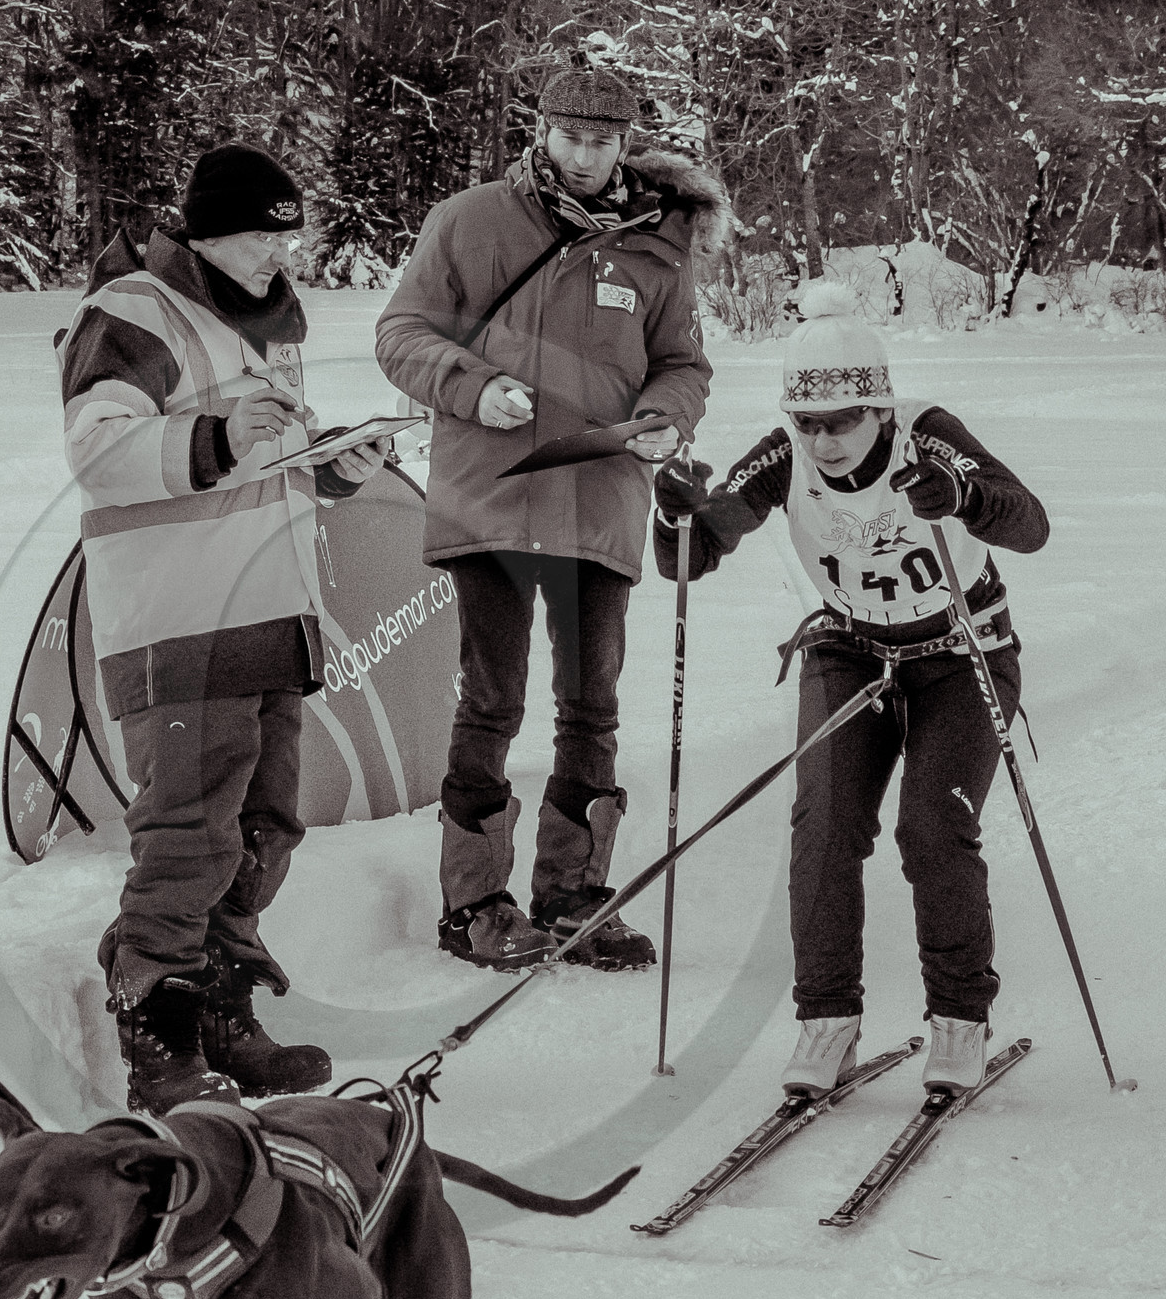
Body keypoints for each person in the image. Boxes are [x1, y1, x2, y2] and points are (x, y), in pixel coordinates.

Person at [651, 282, 1049, 1097]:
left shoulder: (929, 435)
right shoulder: (783, 455)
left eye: (841, 421)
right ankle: (826, 1021)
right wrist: (676, 515)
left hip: (962, 648)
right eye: (807, 422)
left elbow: (1030, 524)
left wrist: (966, 497)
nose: (823, 441)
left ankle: (959, 1019)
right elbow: (690, 557)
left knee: (932, 828)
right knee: (825, 828)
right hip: (851, 650)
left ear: (879, 408)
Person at [59, 143, 390, 1115]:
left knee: (264, 828)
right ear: (205, 234)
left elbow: (266, 456)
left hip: (270, 614)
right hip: (180, 622)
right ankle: (158, 1038)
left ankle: (222, 1009)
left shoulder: (268, 324)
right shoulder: (133, 311)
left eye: (288, 237)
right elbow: (95, 451)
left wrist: (332, 465)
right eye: (259, 237)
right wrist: (213, 436)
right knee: (188, 839)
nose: (278, 255)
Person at [376, 68, 729, 971]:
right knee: (492, 699)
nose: (584, 156)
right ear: (541, 132)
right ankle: (474, 904)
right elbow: (402, 334)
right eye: (570, 137)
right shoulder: (469, 220)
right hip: (490, 494)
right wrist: (473, 386)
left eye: (602, 142)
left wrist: (665, 417)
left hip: (597, 499)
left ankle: (574, 897)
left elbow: (683, 364)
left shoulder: (658, 244)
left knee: (591, 705)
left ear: (625, 144)